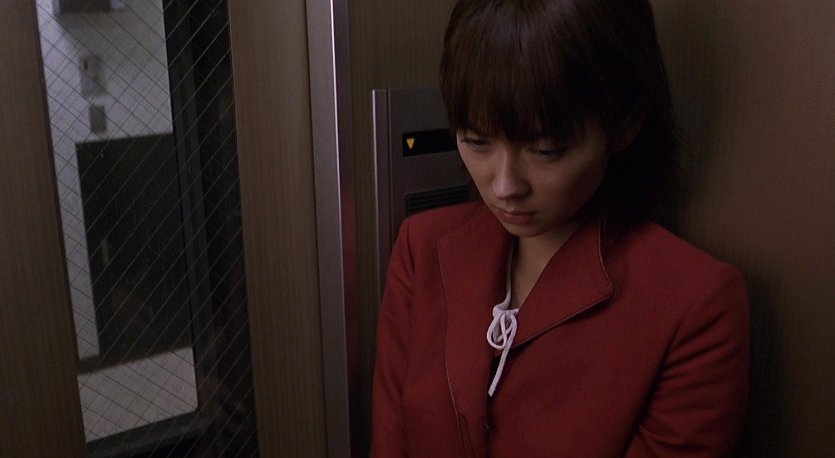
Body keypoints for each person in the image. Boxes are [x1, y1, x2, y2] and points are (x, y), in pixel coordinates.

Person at [372, 0, 750, 456]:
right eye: (476, 141)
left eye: (546, 150)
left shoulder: (694, 306)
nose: (505, 185)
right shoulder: (422, 248)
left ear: (625, 125)